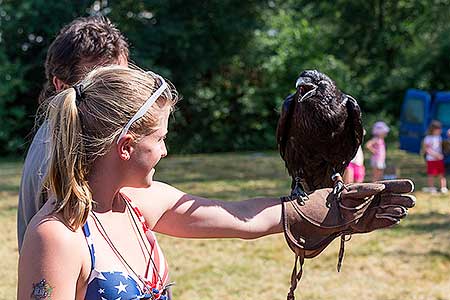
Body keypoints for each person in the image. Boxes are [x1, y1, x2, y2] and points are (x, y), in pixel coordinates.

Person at [17, 65, 415, 300]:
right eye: (160, 139)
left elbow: (240, 218)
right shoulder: (57, 236)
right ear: (126, 146)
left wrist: (317, 209)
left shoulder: (141, 203)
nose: (166, 152)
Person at [17, 15, 129, 250]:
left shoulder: (66, 137)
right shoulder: (63, 150)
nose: (120, 94)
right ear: (61, 86)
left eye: (122, 80)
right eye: (103, 84)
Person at [422, 120, 448, 193]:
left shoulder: (439, 137)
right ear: (433, 129)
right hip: (431, 159)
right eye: (438, 129)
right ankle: (431, 187)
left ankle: (443, 187)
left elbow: (440, 147)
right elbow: (427, 149)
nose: (440, 130)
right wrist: (436, 155)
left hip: (439, 159)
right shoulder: (428, 138)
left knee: (441, 174)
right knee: (431, 174)